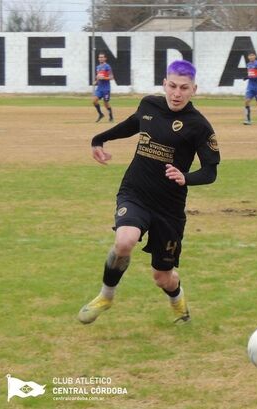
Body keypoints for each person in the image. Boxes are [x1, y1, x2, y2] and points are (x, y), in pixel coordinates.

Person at [78, 60, 220, 325]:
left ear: (194, 90)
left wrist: (185, 177)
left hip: (169, 209)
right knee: (124, 241)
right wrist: (99, 139)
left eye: (184, 88)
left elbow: (211, 171)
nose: (177, 93)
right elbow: (132, 124)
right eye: (173, 86)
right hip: (135, 193)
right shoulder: (149, 105)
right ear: (165, 84)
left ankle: (178, 302)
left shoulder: (199, 125)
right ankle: (106, 296)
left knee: (163, 277)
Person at [92, 52, 114, 123]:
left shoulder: (107, 67)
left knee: (106, 103)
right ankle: (100, 114)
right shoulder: (98, 67)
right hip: (99, 88)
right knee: (94, 101)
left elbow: (111, 77)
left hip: (106, 88)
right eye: (99, 57)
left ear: (105, 58)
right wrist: (96, 81)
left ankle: (111, 116)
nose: (100, 58)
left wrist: (104, 78)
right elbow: (98, 77)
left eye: (102, 57)